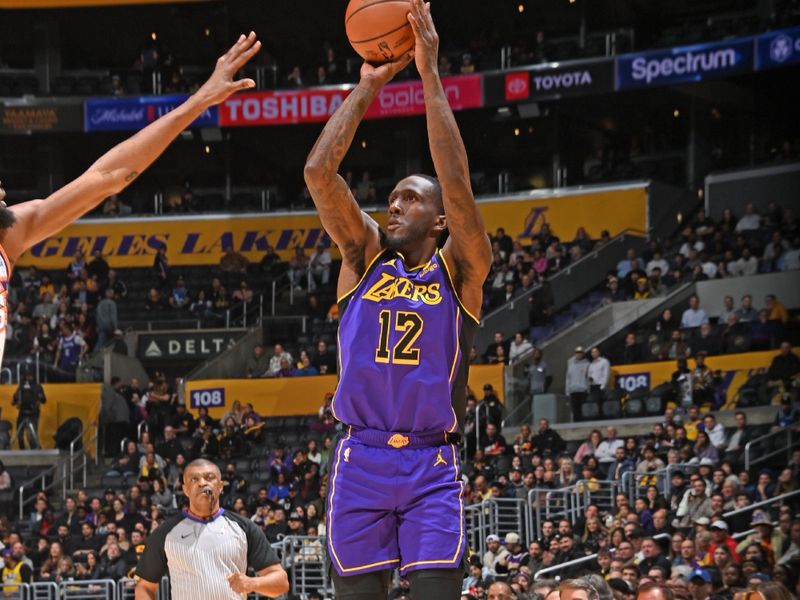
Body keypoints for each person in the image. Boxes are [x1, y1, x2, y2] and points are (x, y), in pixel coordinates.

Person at [303, 3, 492, 596]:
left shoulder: (461, 267)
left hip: (431, 465)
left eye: (409, 198)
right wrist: (366, 88)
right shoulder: (363, 258)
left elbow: (455, 178)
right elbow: (318, 172)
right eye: (391, 197)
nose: (394, 205)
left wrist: (430, 74)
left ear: (440, 220)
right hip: (360, 458)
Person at [134, 459, 288, 598]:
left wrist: (252, 584)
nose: (202, 483)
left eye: (209, 477)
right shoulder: (164, 533)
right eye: (194, 479)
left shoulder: (245, 528)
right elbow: (145, 587)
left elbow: (281, 582)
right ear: (185, 489)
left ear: (220, 486)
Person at [11, 369, 46, 449]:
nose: (28, 378)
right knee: (20, 433)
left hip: (33, 412)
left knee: (32, 435)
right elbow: (15, 398)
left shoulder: (37, 386)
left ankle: (35, 450)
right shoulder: (21, 386)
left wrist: (39, 397)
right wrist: (15, 401)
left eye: (30, 376)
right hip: (23, 412)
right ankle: (22, 450)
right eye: (27, 376)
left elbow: (44, 400)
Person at [566, 346, 590, 421]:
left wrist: (588, 389)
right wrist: (567, 391)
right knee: (575, 410)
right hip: (573, 391)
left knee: (584, 410)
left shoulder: (587, 364)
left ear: (583, 354)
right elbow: (568, 379)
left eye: (580, 353)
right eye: (577, 353)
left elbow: (589, 378)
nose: (578, 354)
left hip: (583, 390)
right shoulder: (571, 366)